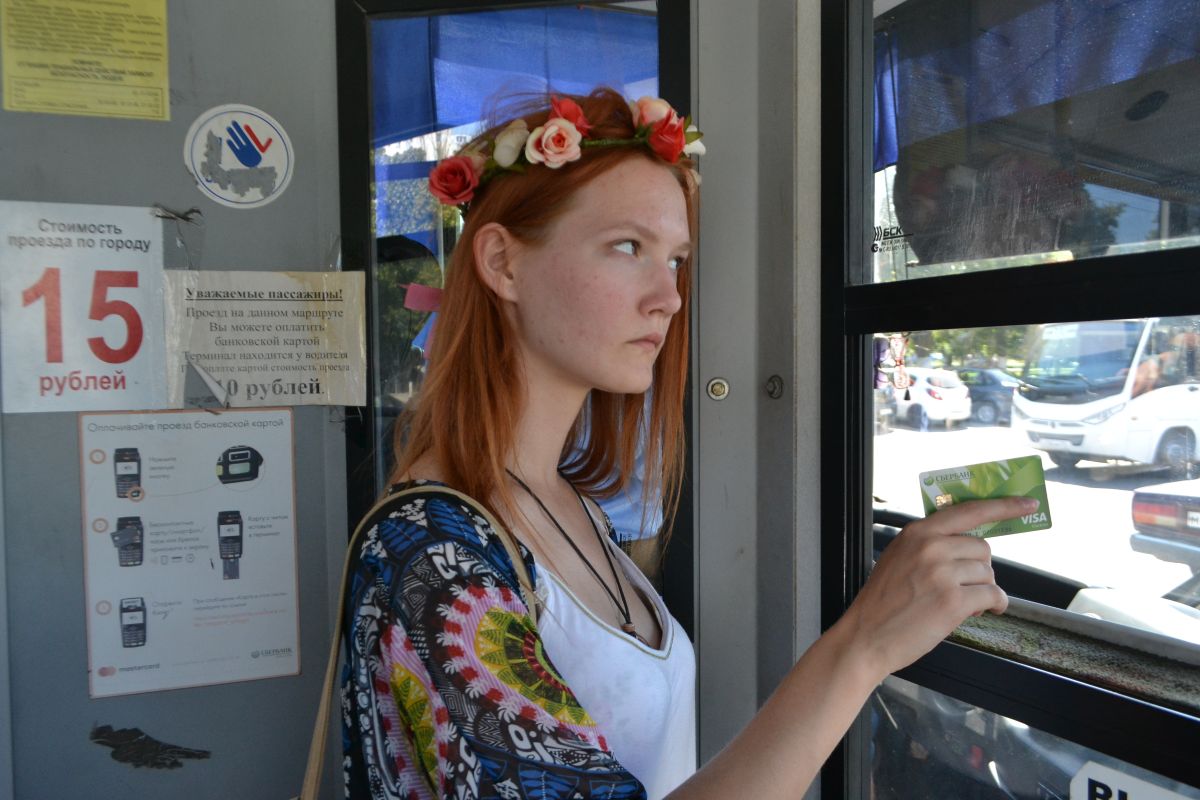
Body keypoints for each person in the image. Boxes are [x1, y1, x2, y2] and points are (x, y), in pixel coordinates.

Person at [341, 87, 1034, 800]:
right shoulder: (428, 554)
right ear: (502, 263)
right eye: (627, 247)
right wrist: (862, 646)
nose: (668, 297)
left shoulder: (563, 499)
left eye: (674, 260)